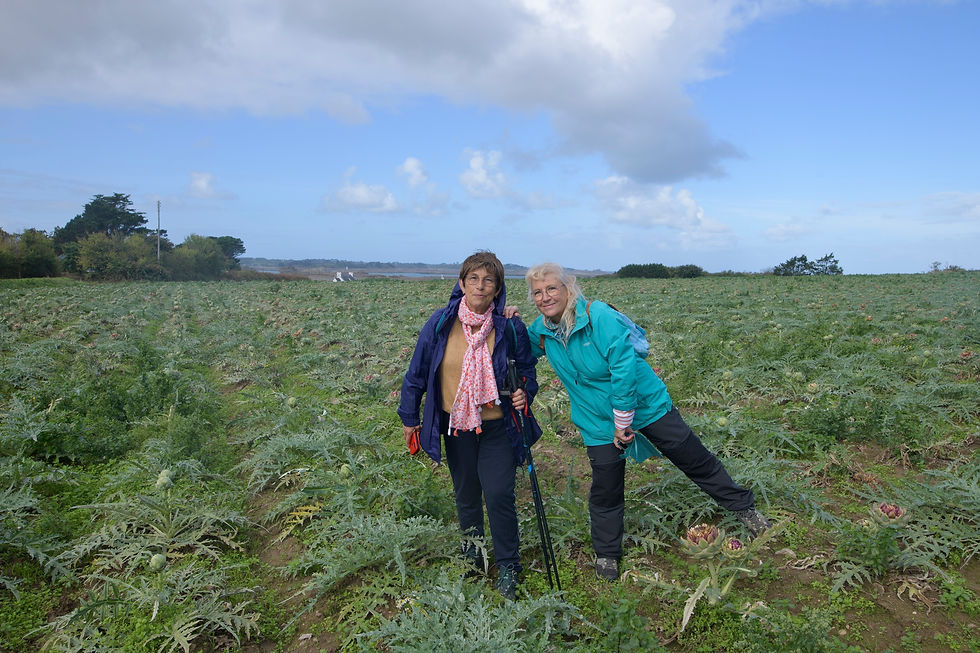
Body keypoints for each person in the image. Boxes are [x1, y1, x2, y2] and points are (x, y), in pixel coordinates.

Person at [524, 262, 770, 582]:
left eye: (551, 288)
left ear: (568, 288)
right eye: (537, 292)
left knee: (694, 460)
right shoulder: (541, 331)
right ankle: (607, 554)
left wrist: (623, 419)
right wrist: (504, 324)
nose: (545, 297)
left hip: (645, 405)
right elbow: (517, 352)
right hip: (595, 419)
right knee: (606, 485)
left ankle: (745, 510)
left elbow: (623, 368)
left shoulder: (599, 317)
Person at [398, 251, 542, 599]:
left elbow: (527, 372)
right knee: (466, 494)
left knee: (498, 493)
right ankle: (474, 553)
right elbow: (417, 372)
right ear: (462, 283)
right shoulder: (440, 324)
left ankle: (508, 564)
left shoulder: (510, 327)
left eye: (488, 280)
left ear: (497, 289)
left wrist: (524, 391)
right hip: (456, 425)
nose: (480, 286)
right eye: (473, 279)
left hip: (497, 427)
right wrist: (409, 417)